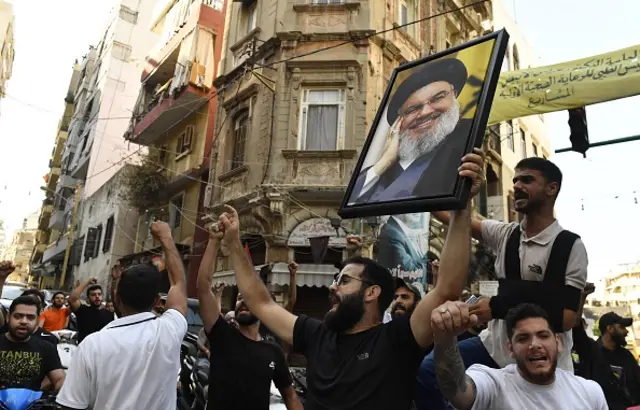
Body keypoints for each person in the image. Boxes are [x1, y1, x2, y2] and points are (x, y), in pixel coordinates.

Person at [215, 149, 484, 410]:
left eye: (343, 281)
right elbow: (261, 302)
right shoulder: (316, 334)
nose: (332, 286)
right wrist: (233, 242)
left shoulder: (398, 339)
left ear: (372, 293)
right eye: (336, 279)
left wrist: (462, 204)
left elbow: (447, 287)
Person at [417, 157, 588, 409]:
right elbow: (454, 218)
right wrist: (429, 184)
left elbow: (567, 318)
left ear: (552, 188)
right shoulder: (506, 234)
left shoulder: (570, 247)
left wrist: (498, 307)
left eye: (527, 180)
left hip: (541, 359)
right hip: (492, 348)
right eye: (516, 180)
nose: (517, 185)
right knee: (428, 372)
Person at [56, 221, 189, 409]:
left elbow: (70, 406)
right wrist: (166, 237)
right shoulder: (169, 331)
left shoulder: (91, 346)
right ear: (157, 301)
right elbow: (179, 284)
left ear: (116, 298)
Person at [197, 224, 302, 410]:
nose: (243, 301)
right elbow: (203, 287)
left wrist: (293, 276)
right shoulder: (222, 334)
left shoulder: (273, 351)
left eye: (249, 298)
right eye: (239, 298)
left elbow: (290, 396)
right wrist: (213, 241)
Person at [431, 301, 607, 409]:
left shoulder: (589, 392)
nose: (535, 345)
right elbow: (458, 392)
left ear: (558, 342)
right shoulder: (494, 384)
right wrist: (445, 338)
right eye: (523, 338)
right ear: (511, 349)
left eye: (543, 335)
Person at [349, 58, 472, 203]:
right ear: (399, 123)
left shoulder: (466, 138)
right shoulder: (388, 170)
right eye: (413, 109)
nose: (425, 112)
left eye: (437, 98)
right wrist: (385, 161)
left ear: (454, 94)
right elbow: (353, 200)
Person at [0, 296, 65, 391]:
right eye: (18, 316)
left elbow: (59, 378)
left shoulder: (47, 348)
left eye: (30, 317)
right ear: (8, 317)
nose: (24, 321)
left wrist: (62, 387)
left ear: (37, 321)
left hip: (33, 404)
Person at [597, 311, 640, 406]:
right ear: (610, 329)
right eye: (622, 327)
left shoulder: (626, 355)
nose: (626, 331)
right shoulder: (594, 355)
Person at [68, 278, 114, 343]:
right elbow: (72, 299)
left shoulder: (109, 314)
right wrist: (87, 282)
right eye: (93, 295)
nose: (97, 296)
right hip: (84, 348)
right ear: (88, 298)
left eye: (99, 294)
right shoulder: (83, 311)